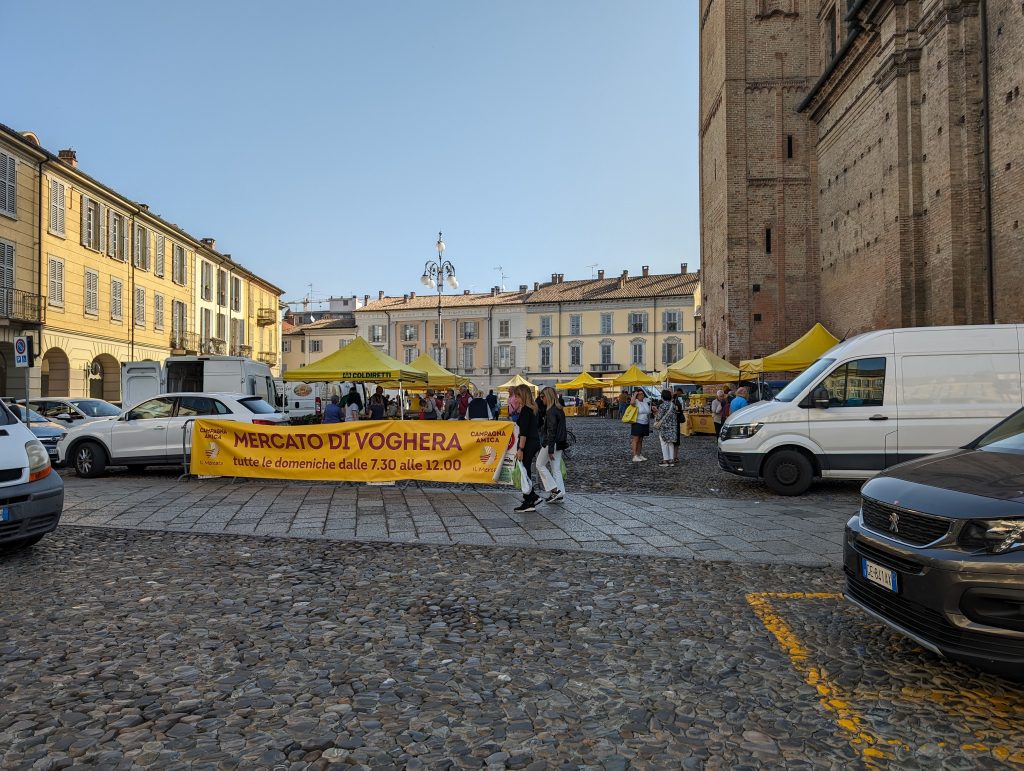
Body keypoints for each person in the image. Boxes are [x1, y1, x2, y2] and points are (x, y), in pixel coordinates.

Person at [512, 384, 542, 512]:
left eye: (517, 396)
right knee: (526, 468)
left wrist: (520, 449)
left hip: (528, 443)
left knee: (525, 470)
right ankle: (532, 496)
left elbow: (523, 433)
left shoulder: (525, 410)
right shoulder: (533, 408)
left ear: (522, 396)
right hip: (534, 441)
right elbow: (538, 424)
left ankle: (529, 500)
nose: (515, 399)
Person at [536, 387, 568, 503]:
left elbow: (551, 431)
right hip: (559, 443)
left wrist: (550, 449)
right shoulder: (559, 409)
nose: (541, 399)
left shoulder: (550, 411)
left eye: (542, 397)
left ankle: (554, 490)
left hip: (551, 443)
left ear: (548, 397)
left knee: (539, 464)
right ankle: (560, 494)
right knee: (556, 469)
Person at [654, 389, 679, 466]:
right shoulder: (673, 405)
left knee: (664, 443)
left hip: (664, 427)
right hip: (672, 427)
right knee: (671, 443)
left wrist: (655, 413)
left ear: (662, 397)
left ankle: (665, 460)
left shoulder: (662, 405)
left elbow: (659, 417)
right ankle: (671, 461)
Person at [629, 389, 651, 462]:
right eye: (640, 394)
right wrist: (635, 394)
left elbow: (647, 411)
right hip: (637, 422)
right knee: (636, 439)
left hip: (645, 423)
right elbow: (631, 402)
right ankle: (634, 455)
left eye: (642, 394)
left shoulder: (645, 401)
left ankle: (639, 454)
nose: (642, 395)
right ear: (637, 395)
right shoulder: (636, 401)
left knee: (641, 440)